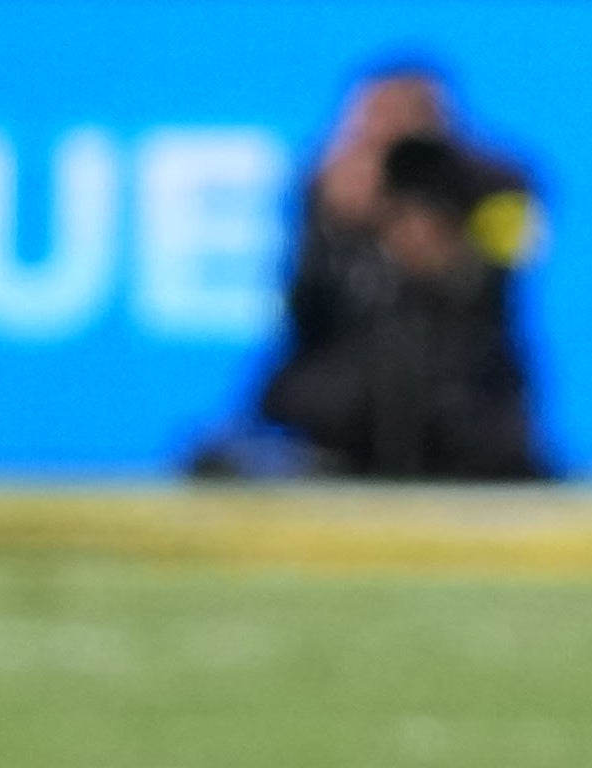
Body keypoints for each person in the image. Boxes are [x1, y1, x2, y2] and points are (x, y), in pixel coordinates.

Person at [198, 59, 553, 486]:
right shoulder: (327, 186)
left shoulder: (501, 184)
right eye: (378, 118)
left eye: (411, 117)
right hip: (341, 405)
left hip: (466, 403)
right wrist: (338, 222)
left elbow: (507, 274)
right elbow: (300, 311)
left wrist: (447, 249)